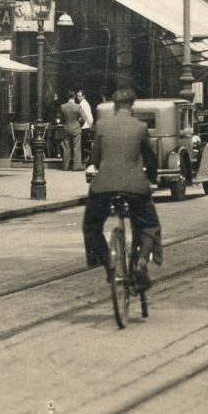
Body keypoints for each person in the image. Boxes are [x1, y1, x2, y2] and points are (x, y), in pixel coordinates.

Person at [82, 89, 162, 290]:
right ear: (132, 105)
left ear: (114, 105)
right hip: (135, 187)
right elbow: (150, 158)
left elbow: (94, 159)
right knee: (149, 225)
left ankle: (108, 265)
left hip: (103, 188)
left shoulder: (101, 126)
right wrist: (152, 177)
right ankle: (142, 263)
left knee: (91, 225)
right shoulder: (140, 127)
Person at [60, 91, 86, 171]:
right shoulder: (77, 107)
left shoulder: (63, 107)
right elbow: (84, 119)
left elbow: (61, 119)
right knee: (76, 148)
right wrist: (80, 125)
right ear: (74, 96)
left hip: (66, 129)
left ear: (67, 97)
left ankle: (65, 166)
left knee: (66, 148)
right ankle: (76, 166)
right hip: (76, 129)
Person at [76, 90, 95, 168]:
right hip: (87, 126)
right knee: (84, 145)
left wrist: (81, 125)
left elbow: (85, 117)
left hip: (84, 126)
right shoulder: (85, 104)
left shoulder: (82, 105)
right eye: (77, 96)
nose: (78, 98)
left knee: (82, 145)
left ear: (83, 96)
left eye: (80, 96)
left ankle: (82, 161)